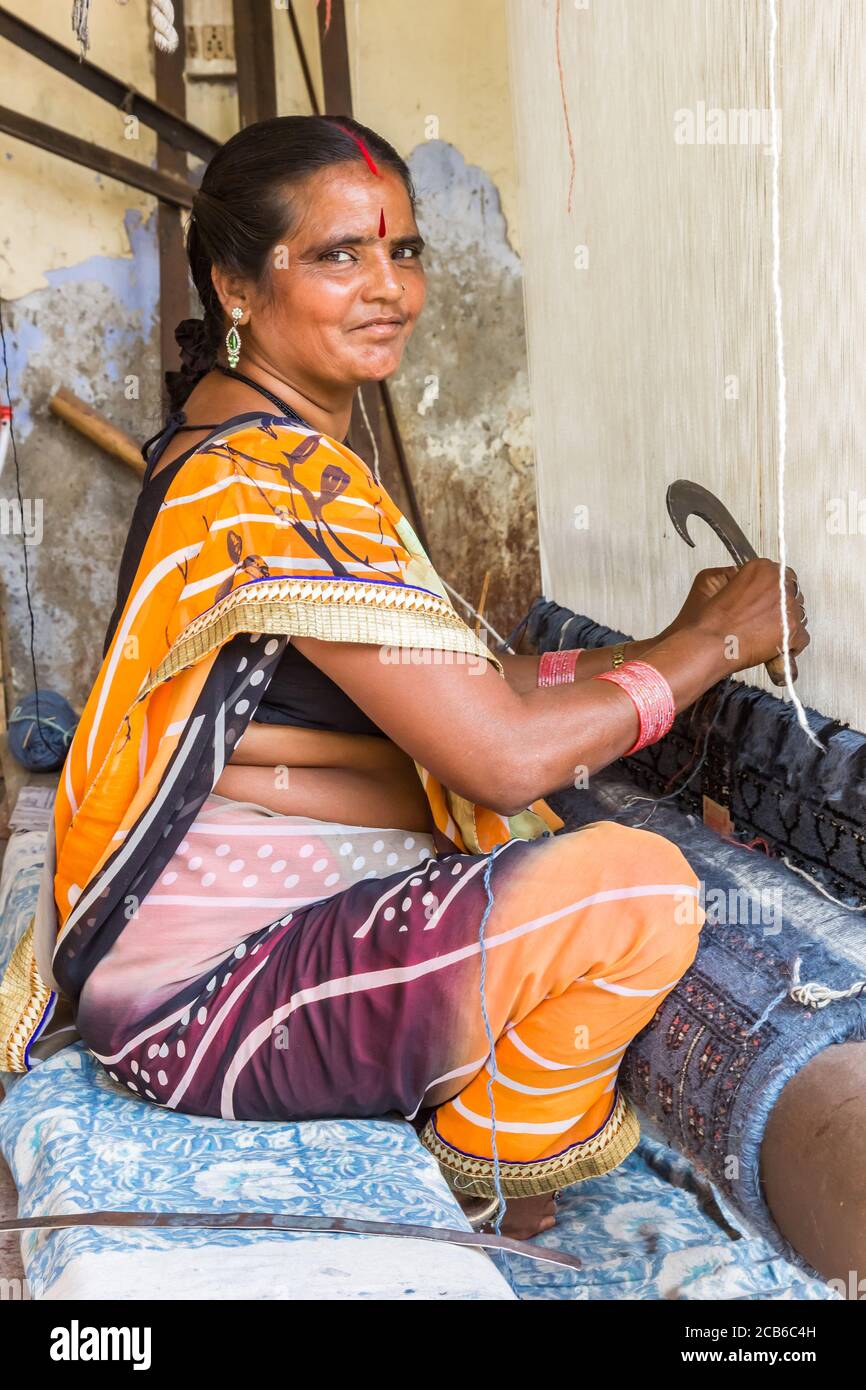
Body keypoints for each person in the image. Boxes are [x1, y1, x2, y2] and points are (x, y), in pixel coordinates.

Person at [45, 115, 809, 1240]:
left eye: (402, 251)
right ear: (237, 285)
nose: (387, 287)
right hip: (200, 1001)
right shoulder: (264, 481)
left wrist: (654, 643)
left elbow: (463, 675)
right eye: (337, 253)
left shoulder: (257, 441)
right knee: (632, 889)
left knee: (556, 843)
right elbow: (495, 758)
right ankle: (496, 1185)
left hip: (258, 938)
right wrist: (716, 649)